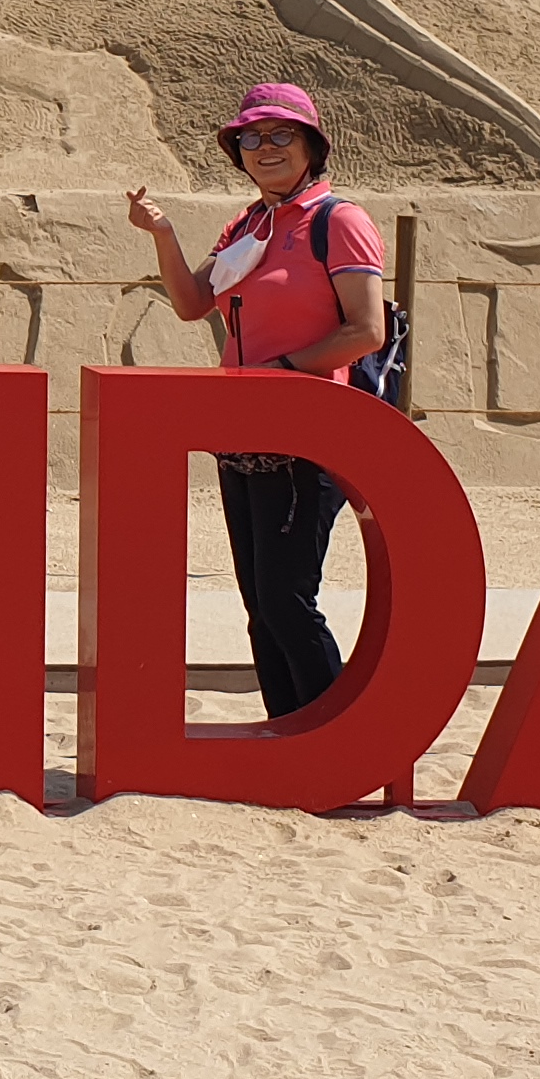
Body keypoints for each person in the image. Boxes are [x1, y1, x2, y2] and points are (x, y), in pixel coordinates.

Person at [125, 82, 391, 721]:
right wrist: (162, 233)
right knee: (260, 608)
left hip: (309, 435)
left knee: (286, 601)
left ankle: (335, 737)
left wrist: (280, 372)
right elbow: (193, 305)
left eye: (280, 134)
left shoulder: (339, 221)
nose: (264, 146)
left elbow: (366, 331)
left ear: (311, 146)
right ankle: (287, 737)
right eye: (251, 136)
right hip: (242, 435)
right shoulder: (248, 224)